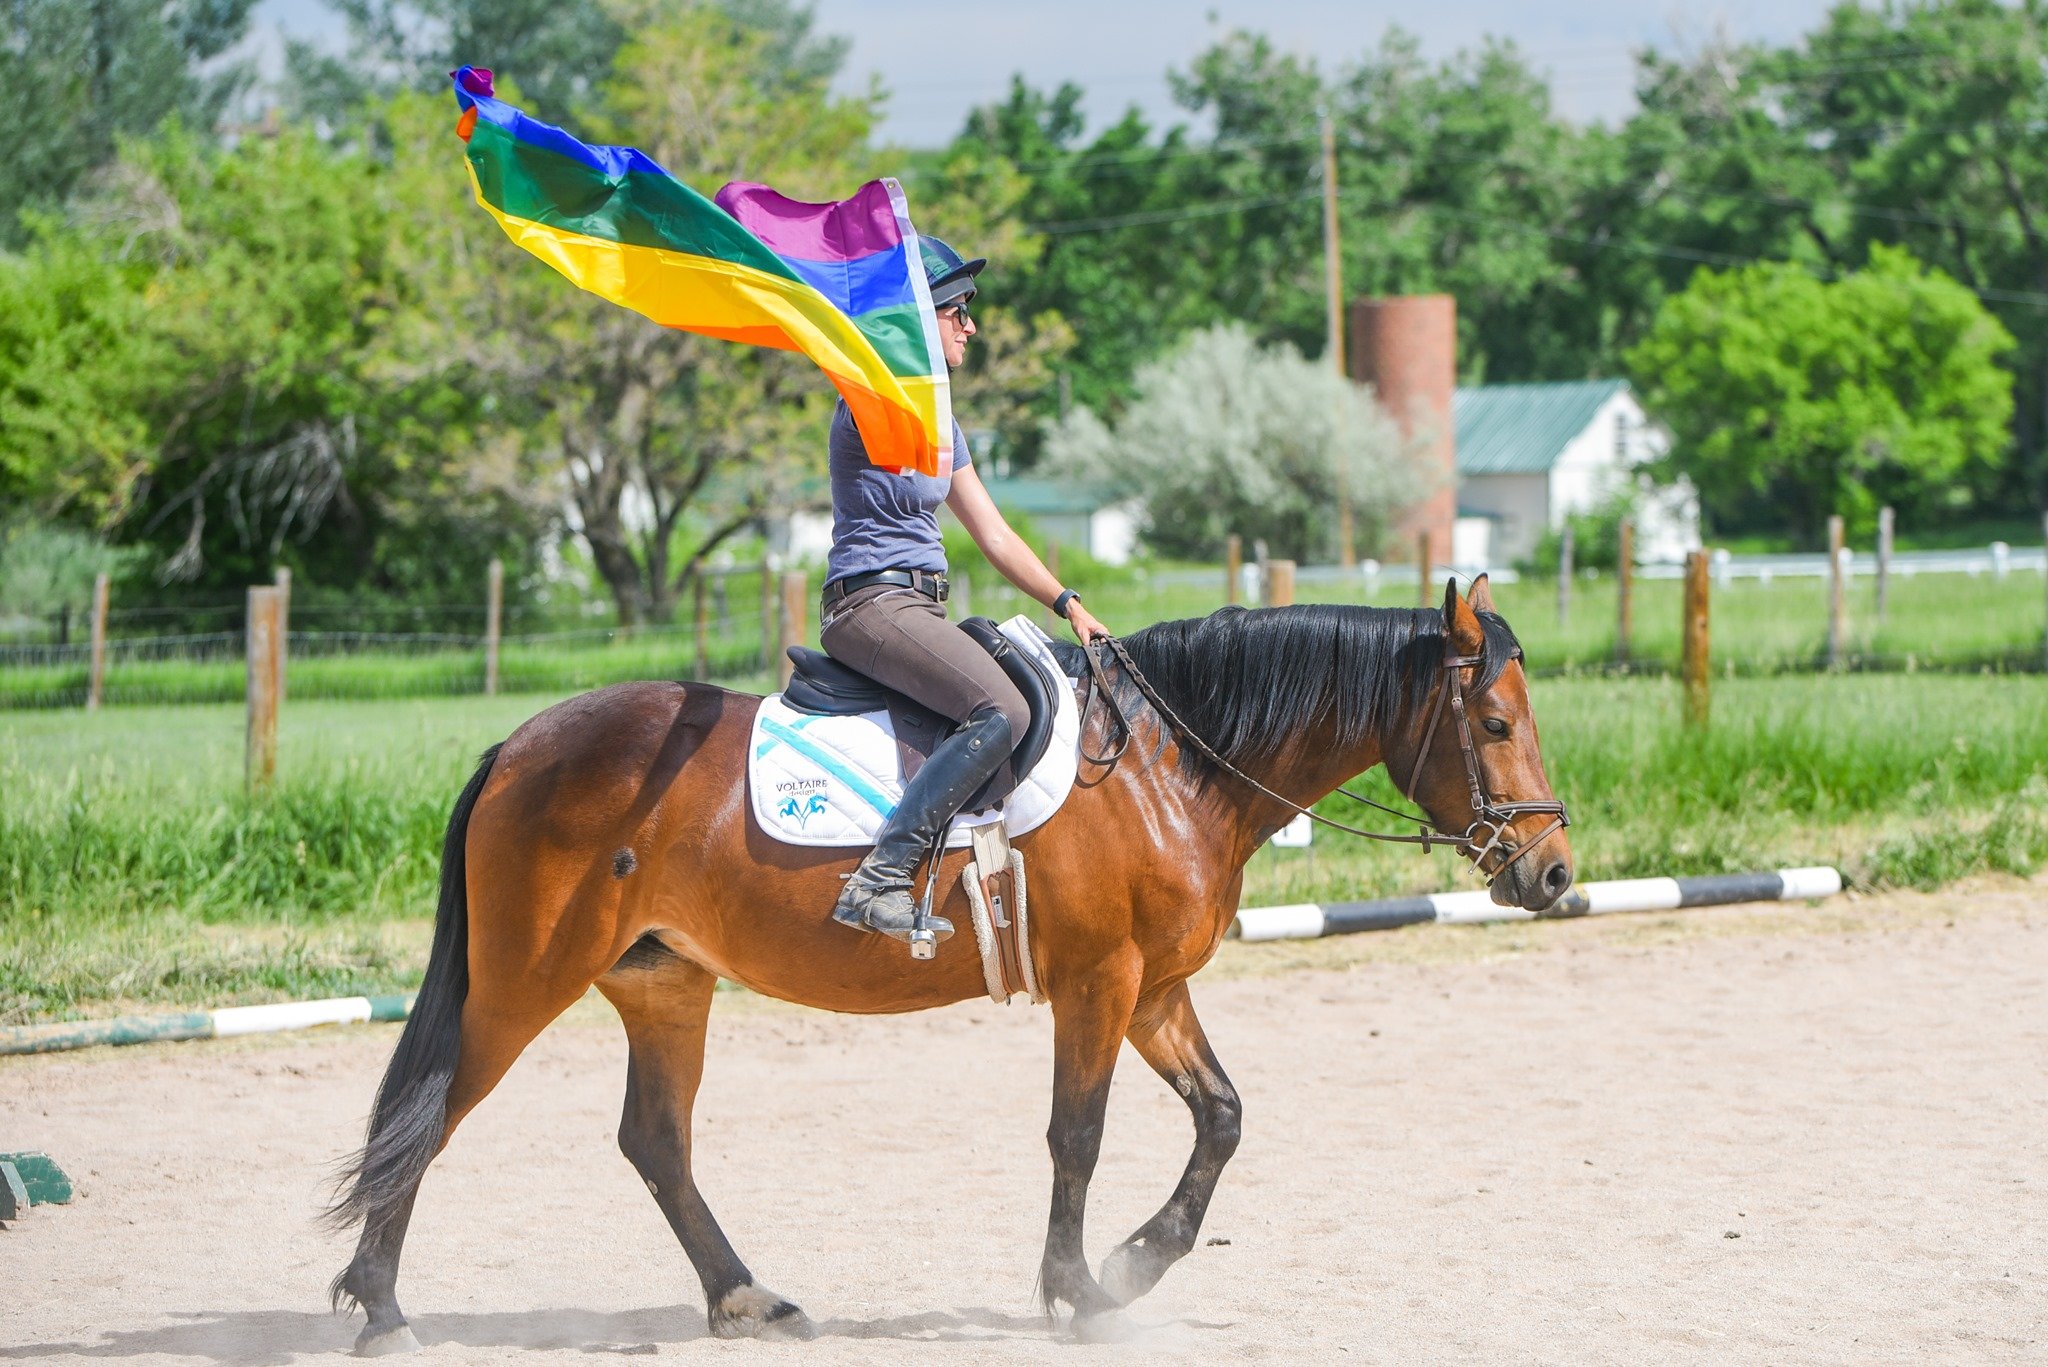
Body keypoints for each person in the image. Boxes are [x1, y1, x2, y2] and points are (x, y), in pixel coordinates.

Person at [820, 236, 1108, 945]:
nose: (970, 325)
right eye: (955, 310)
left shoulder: (940, 420)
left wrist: (1068, 603)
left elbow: (996, 534)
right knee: (1001, 706)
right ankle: (881, 877)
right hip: (870, 603)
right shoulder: (870, 394)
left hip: (921, 604)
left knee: (1023, 680)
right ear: (918, 319)